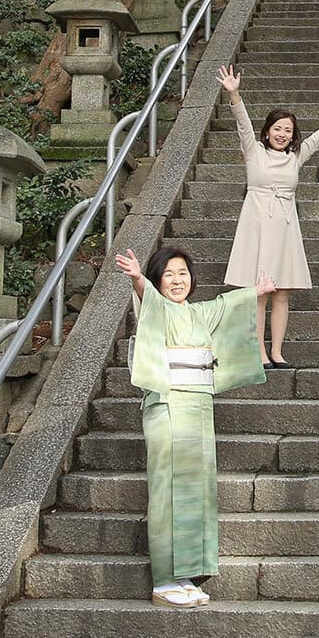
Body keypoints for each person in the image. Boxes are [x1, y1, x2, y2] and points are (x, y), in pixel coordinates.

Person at [116, 245, 271, 607]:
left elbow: (226, 305)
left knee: (195, 492)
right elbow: (145, 296)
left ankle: (185, 574)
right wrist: (138, 278)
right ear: (158, 279)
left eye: (182, 273)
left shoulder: (200, 312)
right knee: (169, 489)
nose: (177, 280)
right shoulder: (156, 306)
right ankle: (164, 580)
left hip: (199, 407)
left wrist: (258, 291)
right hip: (169, 406)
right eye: (168, 274)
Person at [217, 65, 319, 368]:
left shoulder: (296, 156)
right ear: (267, 131)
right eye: (277, 128)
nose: (282, 134)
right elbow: (243, 125)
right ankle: (259, 351)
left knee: (282, 291)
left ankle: (277, 351)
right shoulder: (254, 151)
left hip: (285, 226)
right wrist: (234, 94)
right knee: (259, 292)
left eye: (288, 130)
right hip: (258, 222)